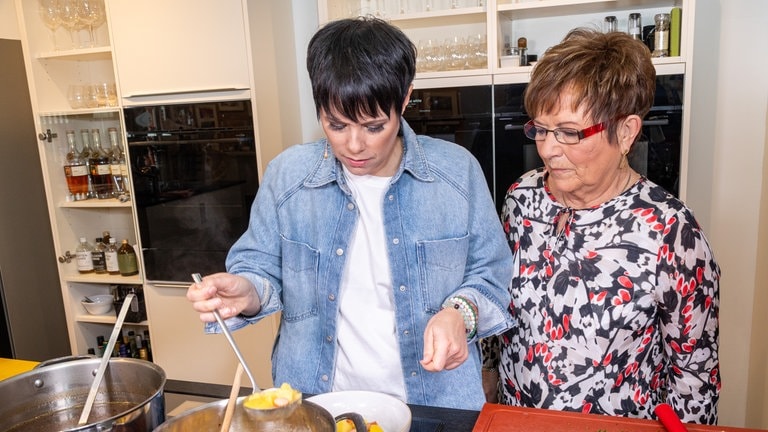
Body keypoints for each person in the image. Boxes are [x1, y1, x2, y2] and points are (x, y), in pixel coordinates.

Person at [187, 16, 514, 410]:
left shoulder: (456, 172)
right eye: (336, 124)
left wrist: (459, 313)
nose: (354, 145)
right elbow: (260, 269)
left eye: (374, 126)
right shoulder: (288, 176)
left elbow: (493, 274)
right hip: (318, 402)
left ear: (405, 99)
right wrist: (249, 291)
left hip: (436, 402)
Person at [482, 28, 721, 424]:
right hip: (515, 417)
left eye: (569, 133)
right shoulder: (521, 199)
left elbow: (695, 376)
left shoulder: (671, 232)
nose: (548, 148)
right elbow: (495, 293)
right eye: (540, 129)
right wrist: (488, 373)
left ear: (625, 132)